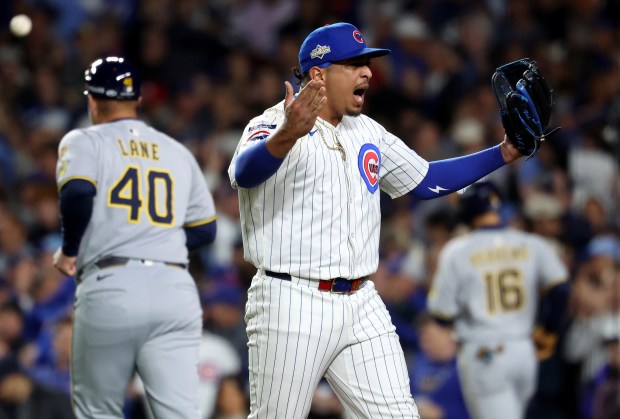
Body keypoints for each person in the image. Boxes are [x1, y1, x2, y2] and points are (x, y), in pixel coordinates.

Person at [228, 22, 535, 418]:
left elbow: (425, 180)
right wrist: (286, 135)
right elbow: (244, 173)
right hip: (292, 300)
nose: (368, 72)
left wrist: (504, 153)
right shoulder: (273, 122)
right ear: (318, 74)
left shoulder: (367, 130)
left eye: (367, 63)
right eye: (354, 64)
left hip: (361, 301)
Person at [53, 56, 217, 419]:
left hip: (112, 282)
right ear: (137, 99)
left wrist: (69, 250)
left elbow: (78, 193)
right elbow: (205, 230)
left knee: (99, 411)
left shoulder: (84, 139)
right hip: (175, 287)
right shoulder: (177, 151)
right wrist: (155, 240)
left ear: (92, 100)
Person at [427, 181, 568, 419]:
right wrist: (549, 331)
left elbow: (442, 314)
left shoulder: (458, 250)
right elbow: (561, 289)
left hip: (484, 352)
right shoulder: (531, 243)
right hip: (524, 351)